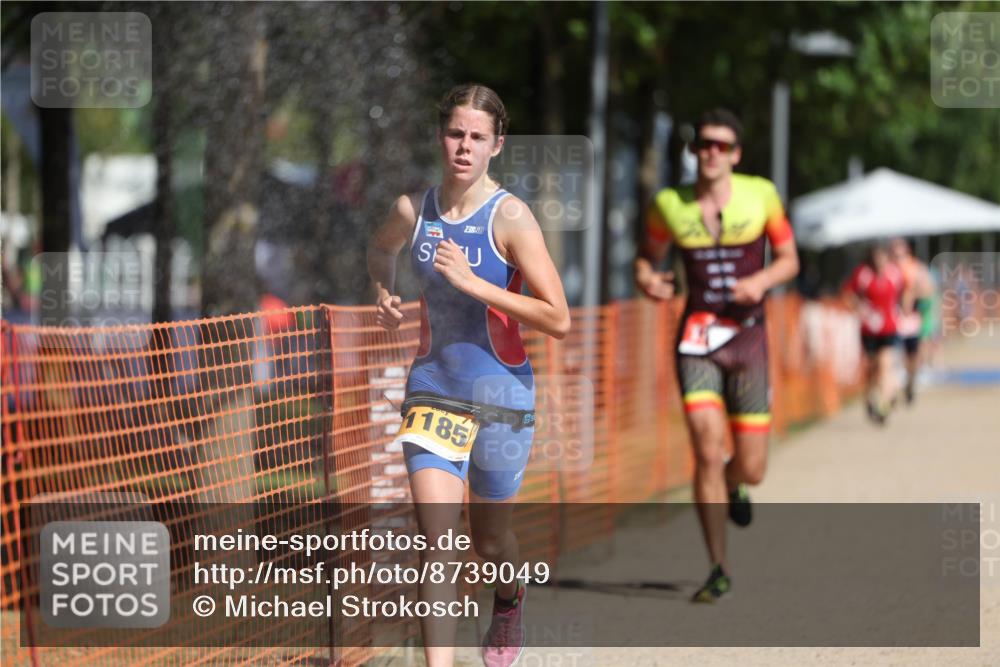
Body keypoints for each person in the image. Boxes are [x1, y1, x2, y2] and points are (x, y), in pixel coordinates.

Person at [367, 83, 570, 667]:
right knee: (438, 545)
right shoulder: (414, 210)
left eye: (477, 137)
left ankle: (508, 598)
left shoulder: (511, 217)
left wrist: (474, 284)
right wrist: (383, 291)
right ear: (440, 136)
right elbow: (380, 250)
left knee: (489, 542)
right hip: (434, 390)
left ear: (496, 145)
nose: (464, 146)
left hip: (502, 397)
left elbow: (558, 318)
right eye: (456, 133)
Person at [634, 108, 799, 603]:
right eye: (704, 143)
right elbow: (647, 258)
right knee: (706, 449)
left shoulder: (761, 194)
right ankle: (718, 568)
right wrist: (648, 279)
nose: (712, 152)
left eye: (722, 146)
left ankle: (735, 484)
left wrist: (761, 281)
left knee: (752, 467)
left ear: (736, 154)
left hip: (748, 341)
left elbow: (790, 260)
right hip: (697, 342)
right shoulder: (669, 204)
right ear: (694, 150)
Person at [843, 243, 904, 425]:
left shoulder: (894, 273)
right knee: (872, 368)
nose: (879, 261)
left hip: (889, 328)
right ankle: (869, 396)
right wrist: (861, 310)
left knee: (885, 365)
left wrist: (903, 309)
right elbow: (849, 294)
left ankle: (884, 406)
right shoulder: (863, 274)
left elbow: (904, 291)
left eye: (882, 257)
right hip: (869, 329)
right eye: (876, 257)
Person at [890, 238, 935, 404]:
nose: (897, 256)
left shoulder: (916, 268)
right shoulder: (889, 269)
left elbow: (928, 290)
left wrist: (913, 294)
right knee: (894, 354)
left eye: (899, 252)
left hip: (912, 320)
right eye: (894, 252)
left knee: (913, 355)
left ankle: (911, 381)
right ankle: (892, 390)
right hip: (894, 319)